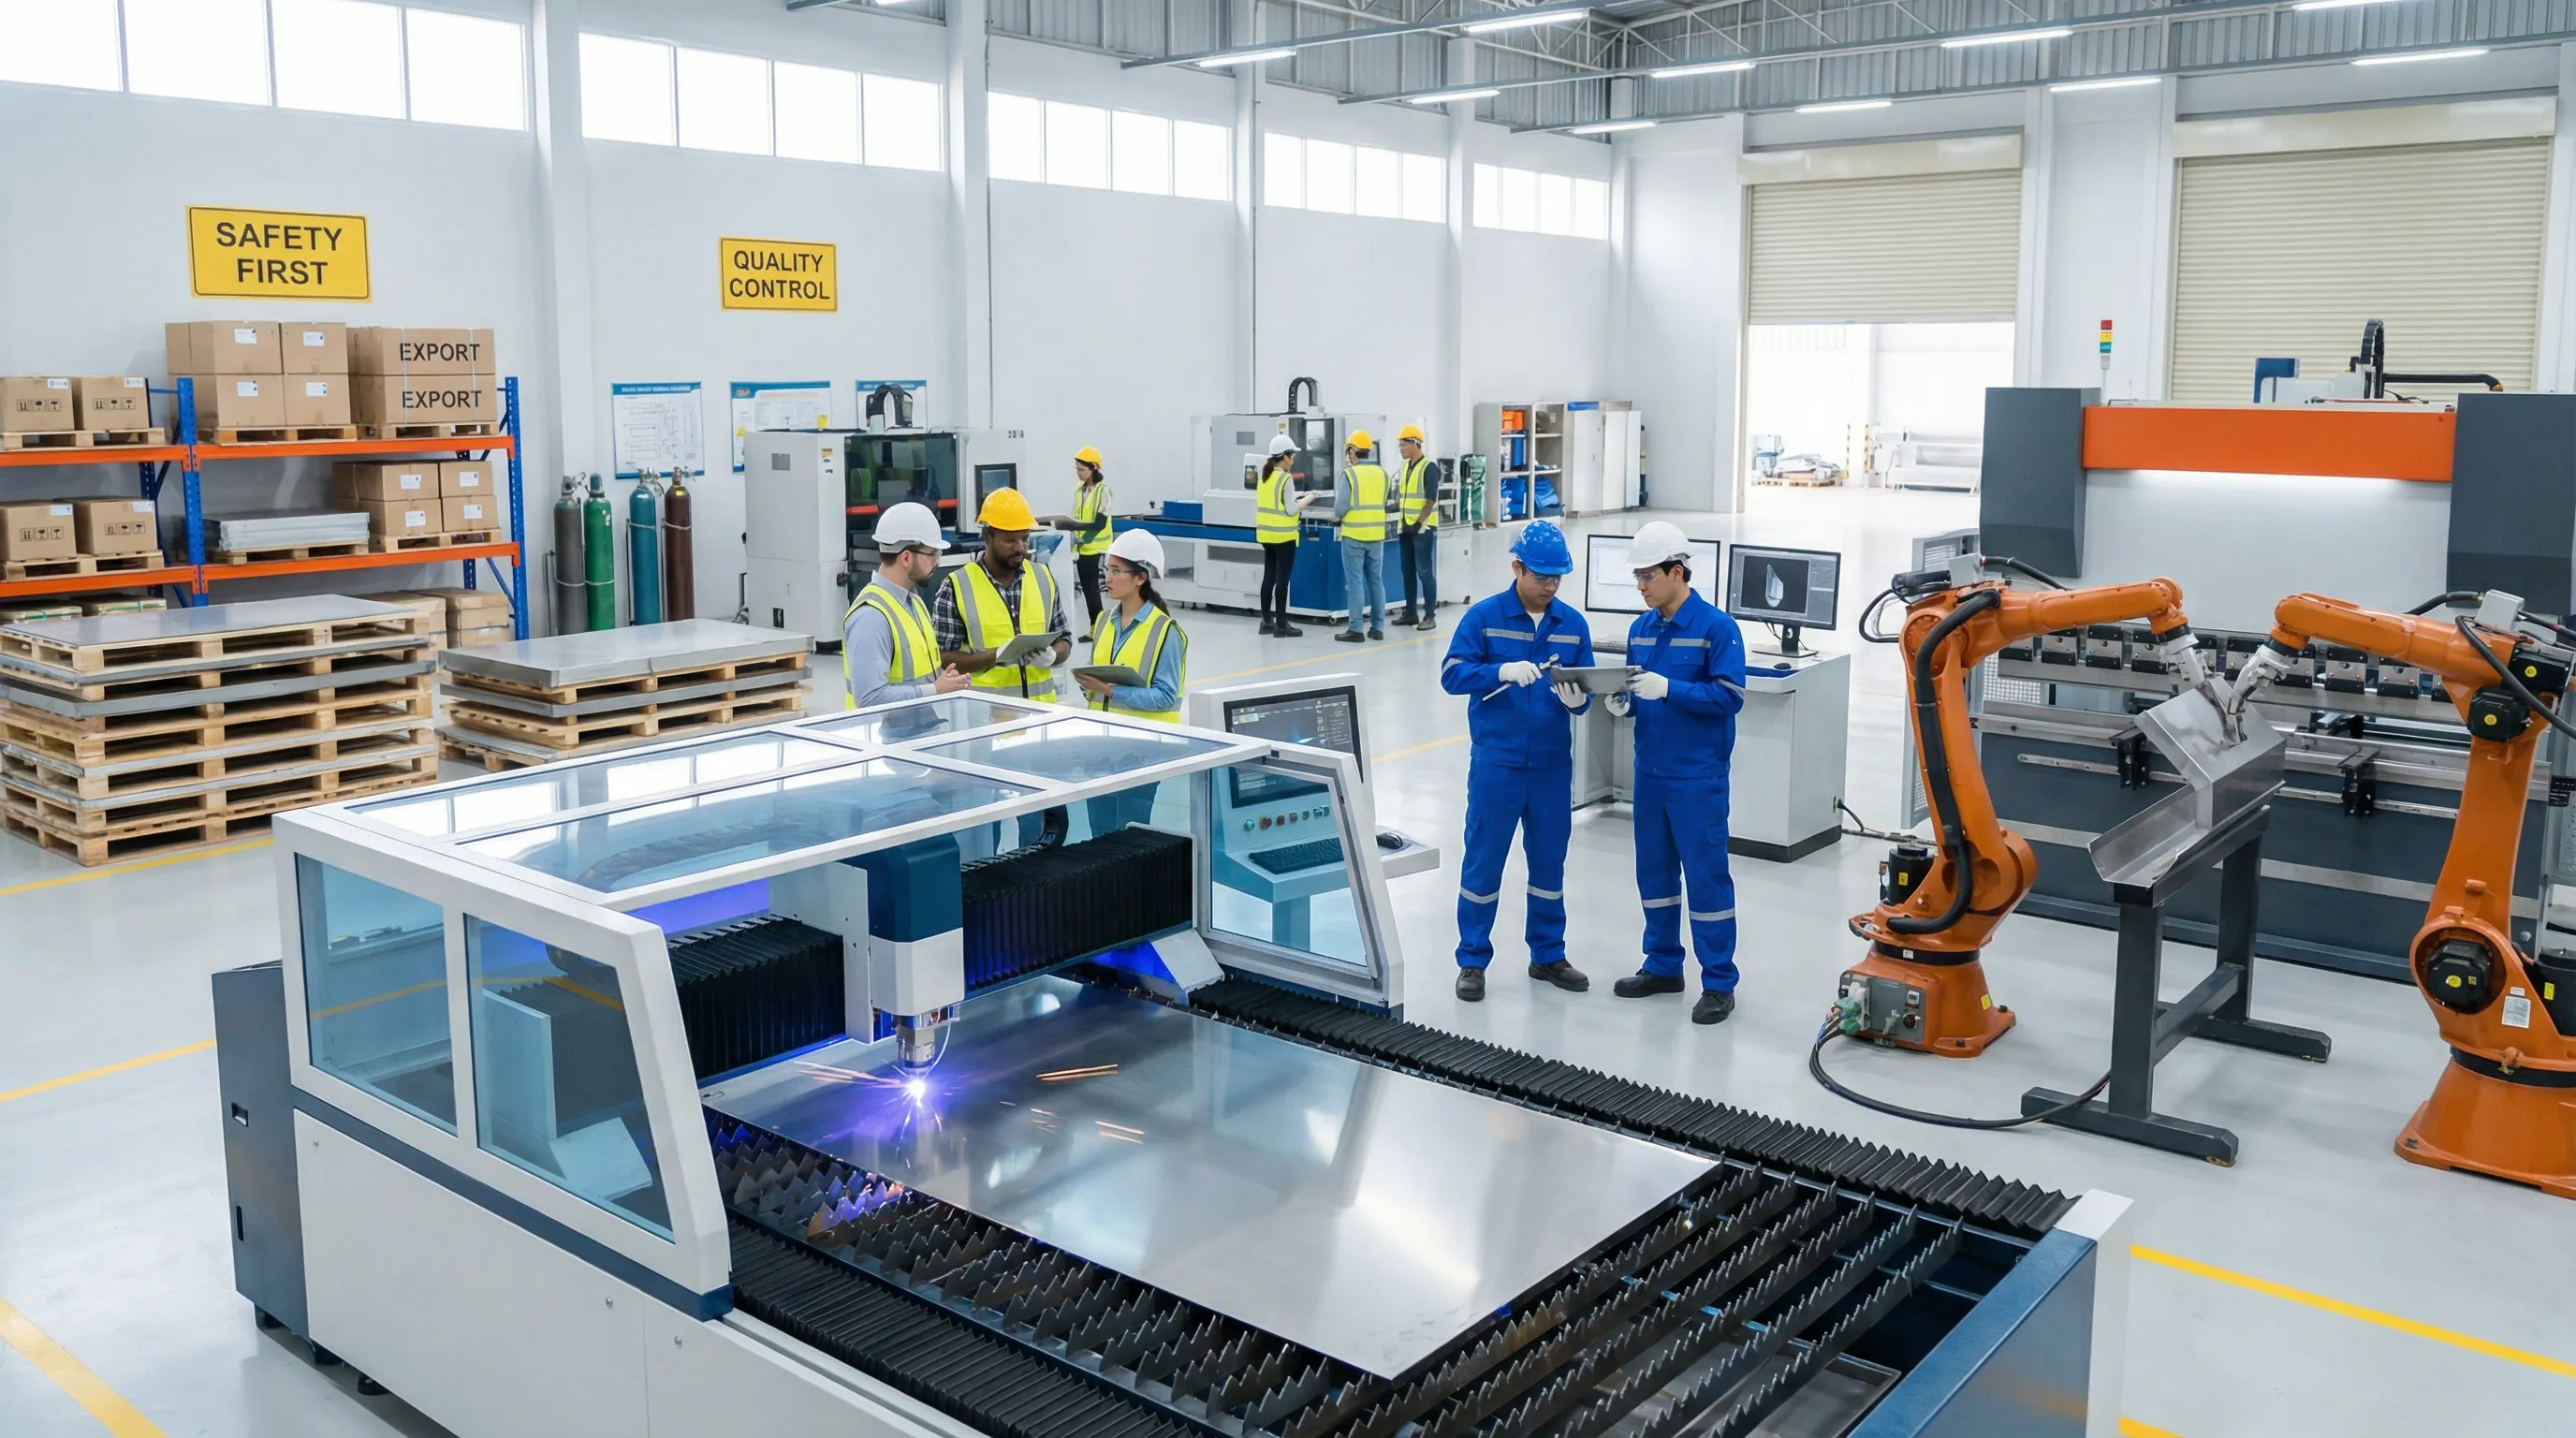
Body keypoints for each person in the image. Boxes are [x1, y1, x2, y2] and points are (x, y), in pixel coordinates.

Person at [1438, 520, 1594, 1002]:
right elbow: (1451, 674)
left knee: (1549, 865)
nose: (1550, 586)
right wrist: (1496, 671)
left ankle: (1547, 955)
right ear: (1516, 568)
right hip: (1497, 765)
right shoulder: (1483, 618)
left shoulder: (1572, 625)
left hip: (1551, 767)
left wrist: (1578, 703)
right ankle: (1472, 960)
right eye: (1542, 576)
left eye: (1557, 578)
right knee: (1484, 864)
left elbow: (1585, 692)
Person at [1605, 521, 1747, 1025]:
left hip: (1697, 778)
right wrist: (1622, 703)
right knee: (1656, 876)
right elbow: (1634, 689)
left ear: (1677, 571)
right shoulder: (1640, 630)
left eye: (1647, 576)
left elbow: (1730, 697)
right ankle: (1663, 964)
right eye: (1637, 577)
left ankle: (1719, 983)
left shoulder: (1716, 629)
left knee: (1706, 879)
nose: (1640, 586)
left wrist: (1670, 690)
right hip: (1651, 775)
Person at [1075, 528, 1189, 835]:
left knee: (1130, 841)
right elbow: (1093, 675)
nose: (1107, 578)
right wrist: (1087, 683)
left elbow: (1166, 697)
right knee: (1098, 838)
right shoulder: (1103, 622)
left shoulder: (1166, 632)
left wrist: (1112, 690)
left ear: (1140, 578)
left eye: (1116, 571)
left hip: (1139, 753)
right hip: (1099, 750)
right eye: (1106, 570)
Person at [934, 487, 1072, 701]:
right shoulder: (956, 586)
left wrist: (1054, 655)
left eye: (1024, 539)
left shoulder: (1043, 578)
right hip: (987, 718)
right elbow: (943, 657)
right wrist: (997, 655)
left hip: (1042, 719)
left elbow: (1064, 638)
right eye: (1010, 540)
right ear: (988, 536)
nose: (1020, 548)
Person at [844, 501, 972, 709]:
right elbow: (868, 698)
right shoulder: (871, 617)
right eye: (933, 554)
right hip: (884, 738)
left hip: (916, 733)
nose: (937, 562)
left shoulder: (914, 603)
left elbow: (917, 674)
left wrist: (945, 680)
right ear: (906, 557)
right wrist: (935, 689)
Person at [1334, 431, 1390, 643]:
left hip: (1354, 535)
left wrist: (1336, 515)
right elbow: (1383, 502)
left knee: (1355, 582)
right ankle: (1378, 628)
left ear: (1352, 450)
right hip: (1376, 535)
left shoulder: (1348, 474)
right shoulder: (1383, 474)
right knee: (1376, 580)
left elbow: (1341, 507)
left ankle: (1356, 629)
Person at [1254, 433, 1308, 638]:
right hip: (1284, 537)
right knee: (1282, 580)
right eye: (1292, 456)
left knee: (1269, 578)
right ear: (1284, 456)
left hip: (1267, 535)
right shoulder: (1285, 479)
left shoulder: (1264, 477)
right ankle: (1282, 624)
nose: (1293, 460)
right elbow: (1292, 510)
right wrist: (1307, 499)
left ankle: (1267, 621)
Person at [1391, 424, 1441, 631]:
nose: (1400, 449)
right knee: (1407, 571)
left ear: (1415, 443)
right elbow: (1403, 498)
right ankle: (1411, 613)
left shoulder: (1429, 467)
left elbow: (1430, 500)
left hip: (1423, 529)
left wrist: (1418, 523)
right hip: (1406, 528)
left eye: (1403, 445)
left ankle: (1429, 616)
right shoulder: (1405, 467)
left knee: (1424, 571)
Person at [1071, 446, 1114, 638]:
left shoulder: (1103, 491)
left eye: (1082, 469)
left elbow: (1100, 522)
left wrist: (1084, 538)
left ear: (1093, 468)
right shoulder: (1079, 490)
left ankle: (1098, 628)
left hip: (1096, 547)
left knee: (1092, 589)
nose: (1078, 473)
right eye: (1077, 469)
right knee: (1089, 590)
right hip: (1082, 548)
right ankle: (1095, 627)